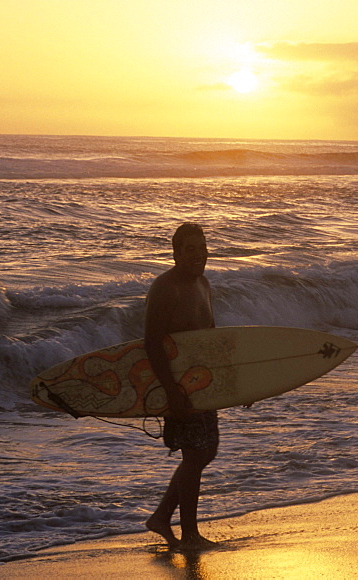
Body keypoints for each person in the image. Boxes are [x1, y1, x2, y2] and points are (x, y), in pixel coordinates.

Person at [143, 223, 219, 551]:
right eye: (191, 249)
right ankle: (189, 535)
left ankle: (161, 517)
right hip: (179, 385)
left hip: (203, 384)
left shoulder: (203, 284)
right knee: (194, 454)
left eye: (202, 247)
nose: (199, 254)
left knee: (206, 452)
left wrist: (242, 385)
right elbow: (151, 342)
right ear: (176, 253)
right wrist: (171, 390)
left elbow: (212, 339)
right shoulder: (165, 287)